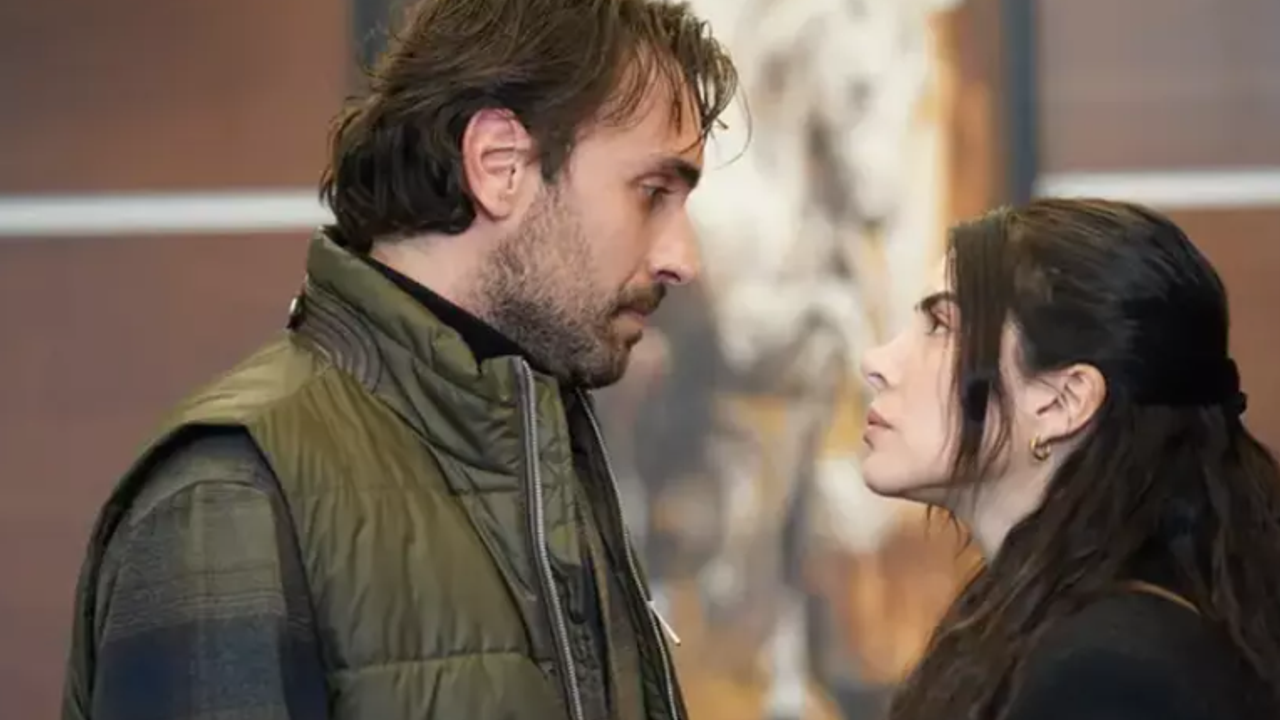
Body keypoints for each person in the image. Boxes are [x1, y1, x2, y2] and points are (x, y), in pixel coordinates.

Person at [60, 1, 739, 719]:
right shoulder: (231, 494)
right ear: (500, 165)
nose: (683, 259)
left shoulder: (547, 456)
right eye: (652, 193)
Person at [858, 198, 1280, 720]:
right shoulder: (1029, 624)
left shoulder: (1110, 673)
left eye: (941, 326)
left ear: (1062, 401)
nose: (876, 362)